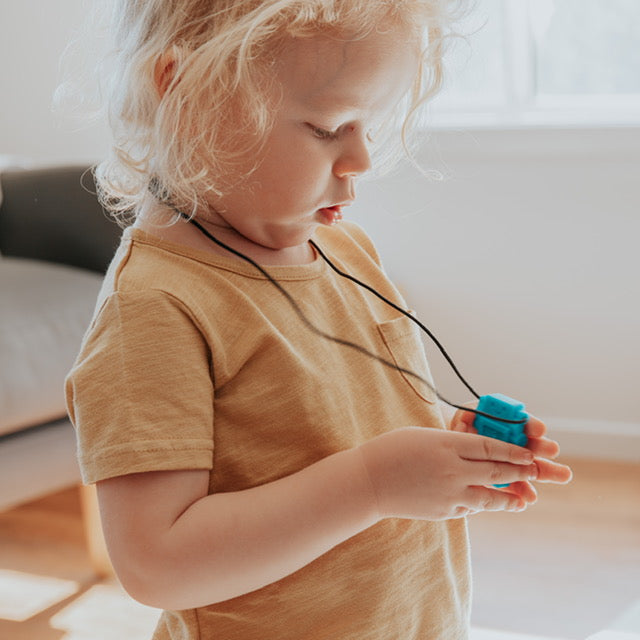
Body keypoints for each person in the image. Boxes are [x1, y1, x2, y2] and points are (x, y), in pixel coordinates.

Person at [65, 1, 572, 638]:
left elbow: (328, 431)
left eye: (367, 123)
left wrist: (441, 456)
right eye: (329, 126)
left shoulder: (345, 251)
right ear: (185, 96)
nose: (360, 157)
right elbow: (156, 565)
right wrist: (375, 482)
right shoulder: (154, 308)